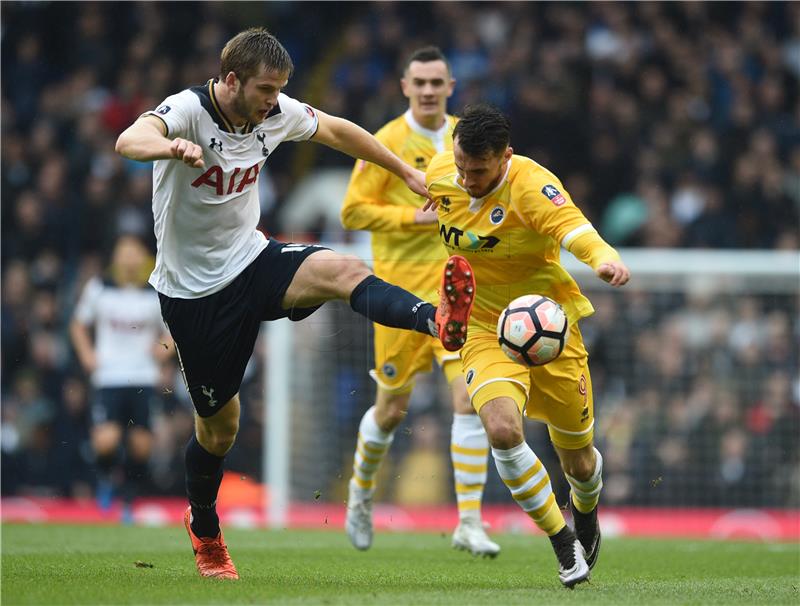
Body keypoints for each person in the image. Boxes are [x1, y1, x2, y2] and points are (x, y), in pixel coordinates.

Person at [114, 28, 476, 580]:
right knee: (219, 430)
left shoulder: (274, 111)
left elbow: (334, 130)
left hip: (252, 259)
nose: (273, 100)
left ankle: (437, 319)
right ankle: (205, 526)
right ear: (230, 79)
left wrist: (402, 170)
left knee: (344, 269)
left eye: (280, 90)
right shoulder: (189, 109)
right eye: (265, 89)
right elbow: (129, 140)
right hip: (194, 295)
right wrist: (169, 146)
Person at [424, 104, 630, 588]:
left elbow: (576, 230)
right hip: (480, 325)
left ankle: (586, 509)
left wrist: (604, 259)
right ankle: (563, 545)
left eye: (478, 171)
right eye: (460, 167)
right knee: (500, 428)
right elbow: (423, 178)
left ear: (505, 158)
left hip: (550, 330)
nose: (466, 178)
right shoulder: (443, 172)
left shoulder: (533, 186)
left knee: (579, 460)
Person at [340, 47, 497, 557]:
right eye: (419, 82)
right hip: (402, 298)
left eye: (437, 82)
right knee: (391, 409)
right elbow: (352, 212)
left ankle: (469, 521)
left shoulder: (465, 142)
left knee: (469, 396)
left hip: (458, 293)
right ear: (404, 86)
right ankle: (360, 497)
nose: (428, 90)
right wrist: (415, 219)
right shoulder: (386, 142)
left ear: (451, 85)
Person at [70, 233, 172, 523]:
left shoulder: (154, 291)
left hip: (143, 376)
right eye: (123, 250)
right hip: (109, 377)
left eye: (134, 251)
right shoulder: (100, 288)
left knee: (141, 444)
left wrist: (163, 349)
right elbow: (78, 325)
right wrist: (88, 355)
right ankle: (106, 480)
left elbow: (173, 330)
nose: (129, 257)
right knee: (106, 441)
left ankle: (128, 498)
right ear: (115, 256)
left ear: (143, 256)